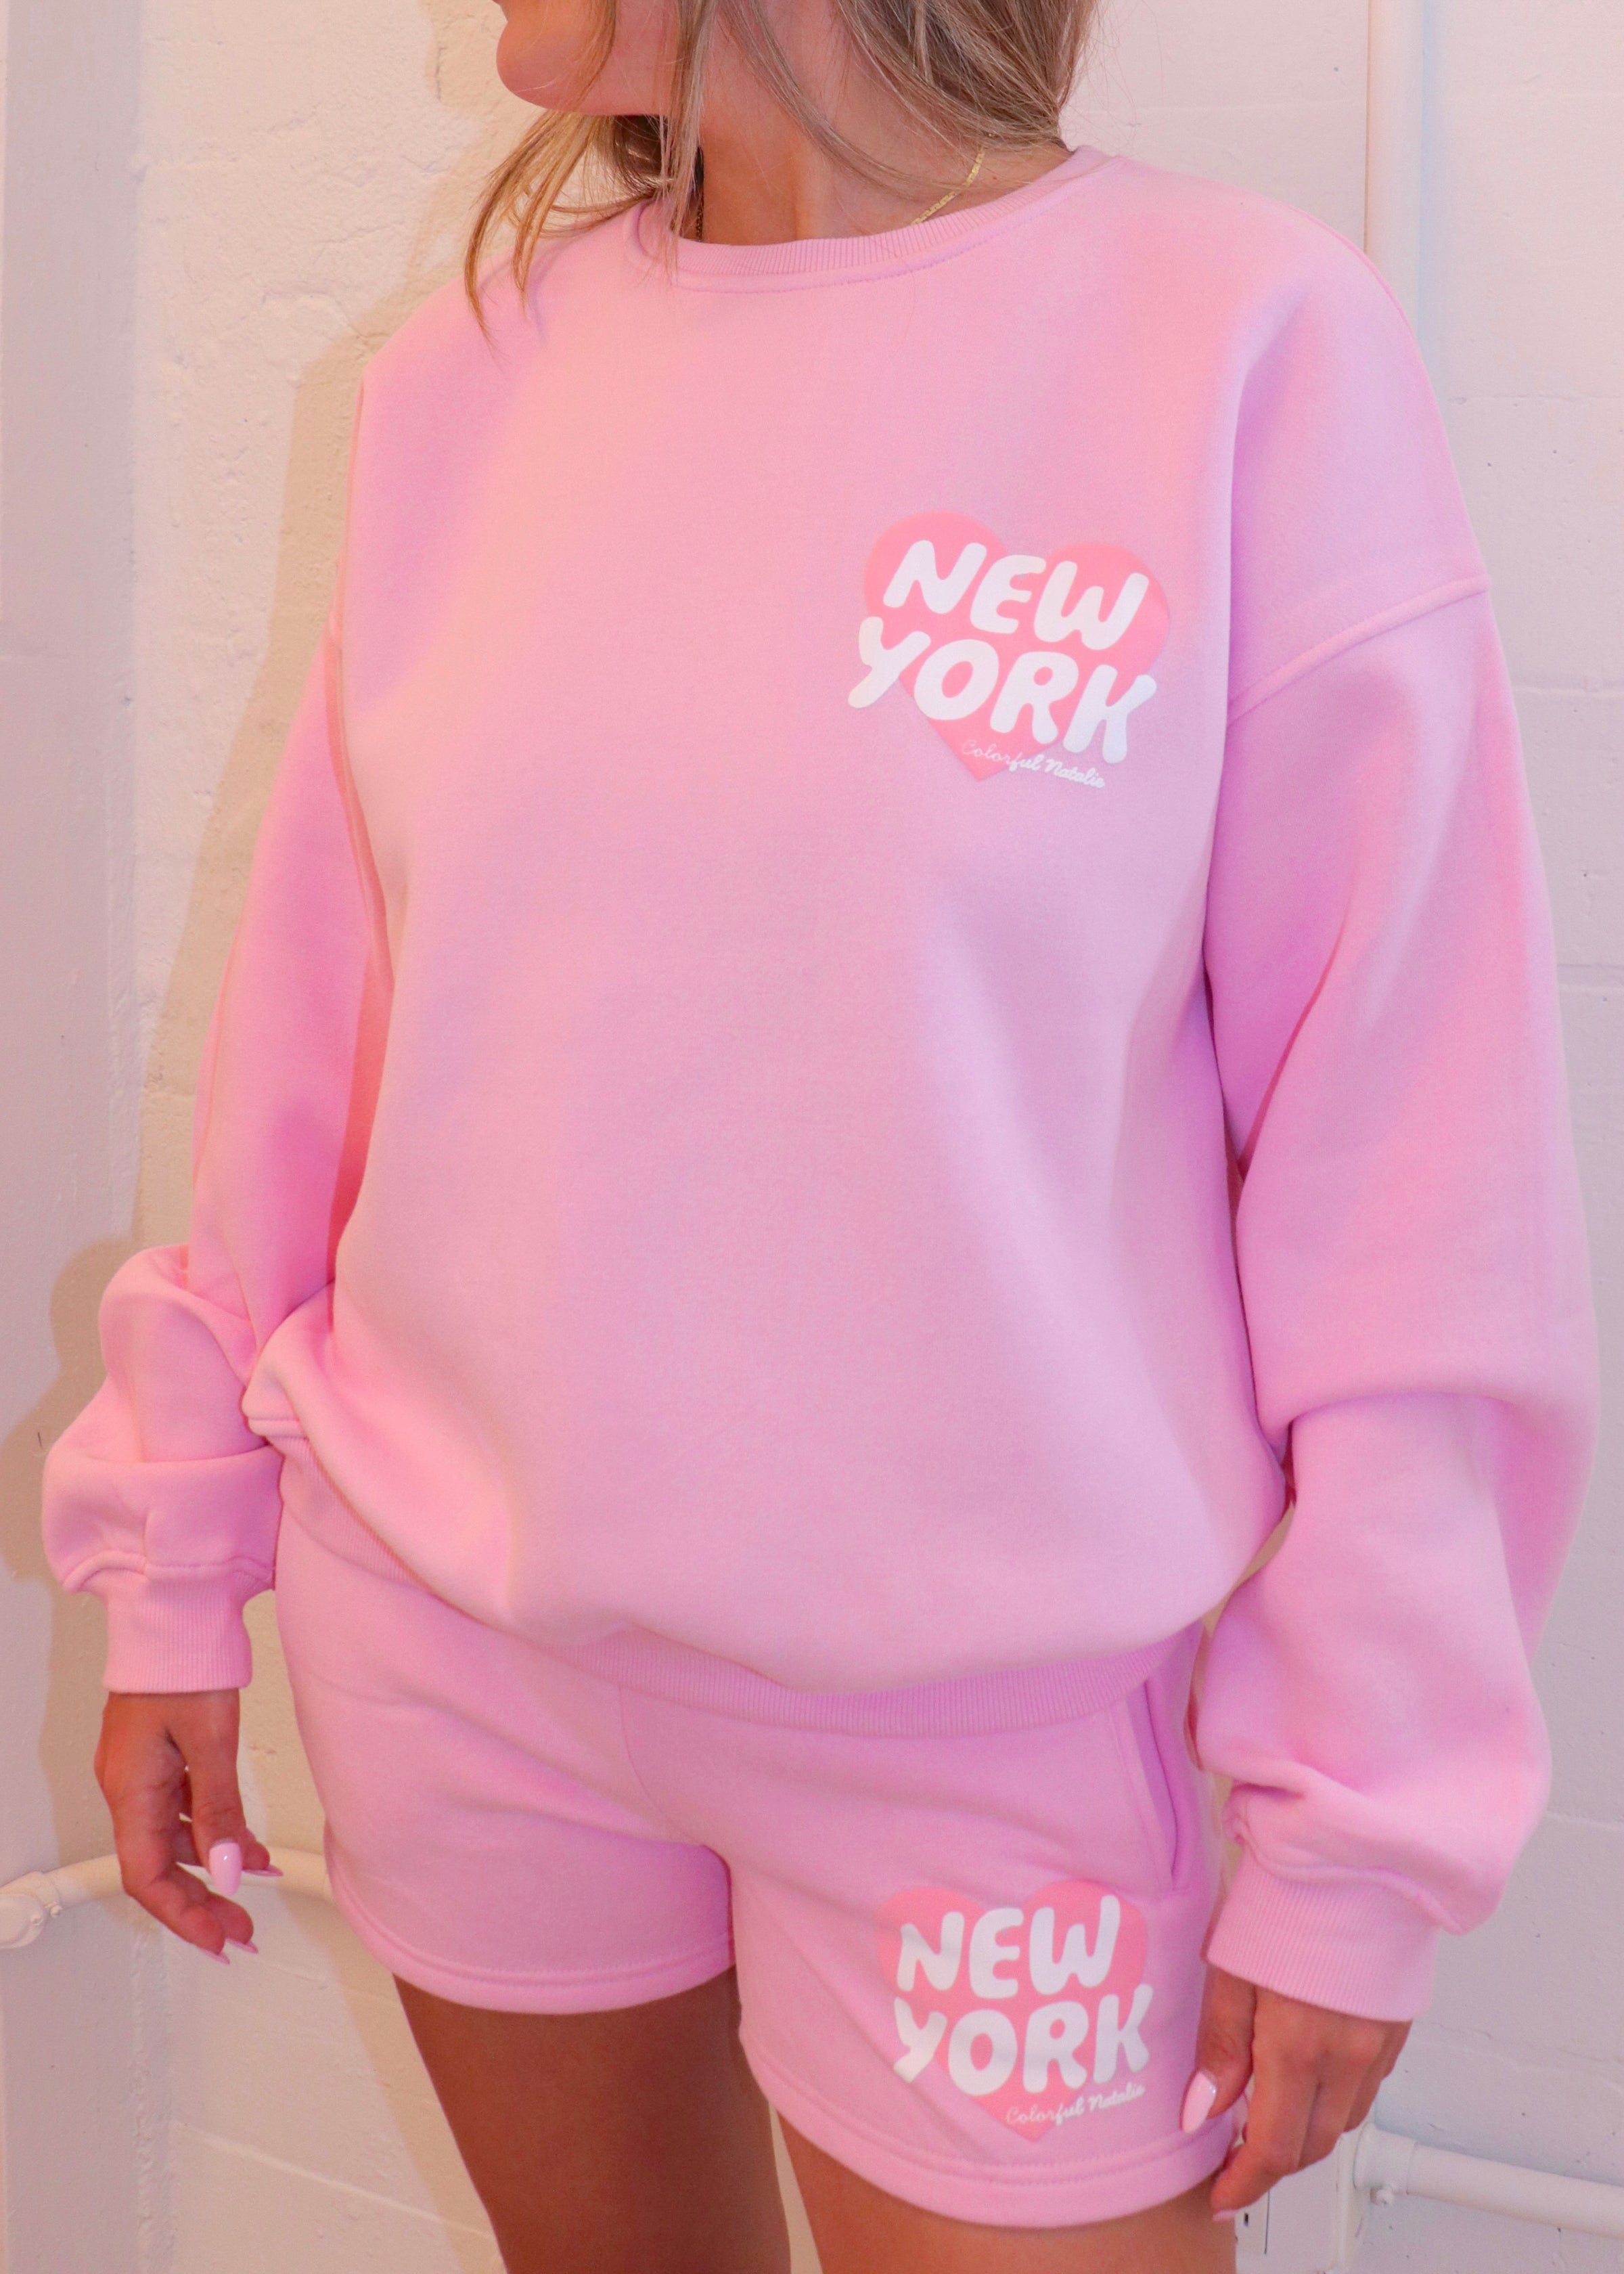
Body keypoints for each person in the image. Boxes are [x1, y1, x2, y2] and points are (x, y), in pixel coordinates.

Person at [42, 0, 1599, 2260]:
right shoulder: (471, 376)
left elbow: (1414, 1155)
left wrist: (1366, 1821)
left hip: (991, 1742)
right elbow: (326, 1033)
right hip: (457, 1657)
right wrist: (178, 1557)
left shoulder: (1241, 346)